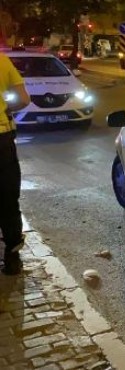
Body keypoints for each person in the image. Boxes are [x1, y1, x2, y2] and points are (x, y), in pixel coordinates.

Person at [0, 51, 30, 275]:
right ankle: (12, 256)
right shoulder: (2, 60)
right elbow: (23, 99)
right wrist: (6, 109)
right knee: (8, 199)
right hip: (1, 140)